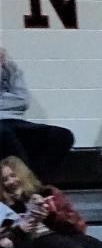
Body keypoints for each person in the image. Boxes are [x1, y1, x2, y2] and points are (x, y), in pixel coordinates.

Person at [0, 46, 74, 176]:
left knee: (62, 135)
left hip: (16, 120)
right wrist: (12, 100)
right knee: (5, 133)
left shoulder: (9, 67)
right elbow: (18, 100)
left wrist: (7, 65)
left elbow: (23, 101)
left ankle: (35, 183)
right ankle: (26, 183)